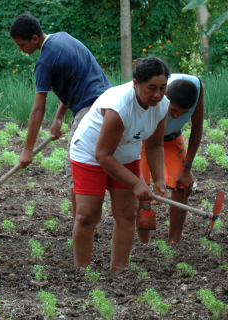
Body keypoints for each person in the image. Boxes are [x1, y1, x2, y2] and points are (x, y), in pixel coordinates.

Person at [69, 57, 170, 271]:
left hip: (125, 153)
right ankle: (82, 272)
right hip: (90, 152)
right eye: (151, 88)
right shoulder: (119, 106)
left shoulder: (162, 105)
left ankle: (118, 272)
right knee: (87, 215)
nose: (158, 95)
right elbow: (103, 155)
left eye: (162, 88)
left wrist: (159, 179)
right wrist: (136, 183)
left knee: (126, 213)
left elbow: (154, 146)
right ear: (136, 84)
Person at [9, 13, 111, 214]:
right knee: (105, 162)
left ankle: (80, 226)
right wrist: (58, 117)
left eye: (22, 45)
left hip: (90, 111)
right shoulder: (63, 38)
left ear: (35, 39)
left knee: (76, 167)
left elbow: (38, 108)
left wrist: (27, 149)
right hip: (110, 103)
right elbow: (75, 78)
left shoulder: (44, 62)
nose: (21, 50)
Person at [137, 74, 204, 244]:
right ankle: (145, 245)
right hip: (144, 138)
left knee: (182, 185)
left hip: (171, 137)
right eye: (173, 110)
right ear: (164, 95)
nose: (175, 116)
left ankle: (174, 243)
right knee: (140, 190)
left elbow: (196, 129)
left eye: (182, 114)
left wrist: (187, 169)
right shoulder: (153, 92)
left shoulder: (198, 88)